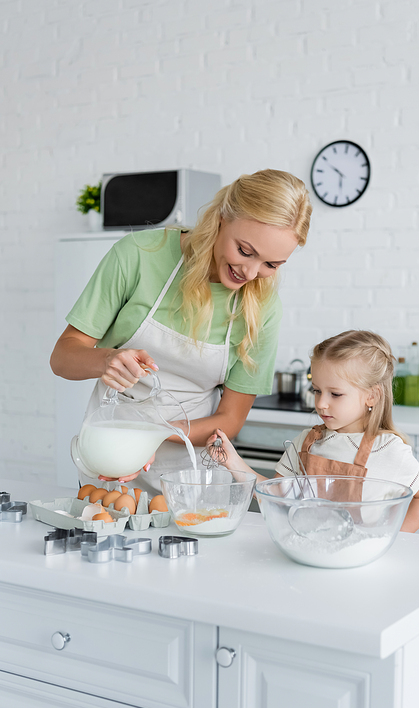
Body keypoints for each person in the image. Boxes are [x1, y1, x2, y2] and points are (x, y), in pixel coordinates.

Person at [50, 169, 312, 494]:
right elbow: (62, 358)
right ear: (221, 218)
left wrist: (152, 434)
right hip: (109, 460)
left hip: (193, 478)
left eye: (271, 265)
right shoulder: (139, 255)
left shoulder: (263, 307)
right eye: (245, 251)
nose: (251, 272)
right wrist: (106, 360)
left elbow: (230, 419)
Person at [206, 330, 419, 533]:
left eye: (335, 394)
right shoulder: (306, 442)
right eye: (317, 390)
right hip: (306, 551)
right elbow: (275, 496)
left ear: (372, 396)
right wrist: (233, 461)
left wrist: (395, 538)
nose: (321, 403)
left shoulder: (388, 450)